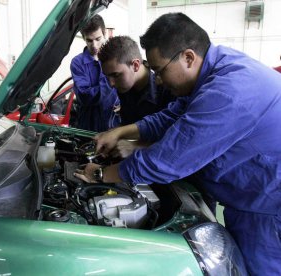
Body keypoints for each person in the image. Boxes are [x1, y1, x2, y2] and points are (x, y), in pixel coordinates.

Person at [74, 12, 281, 275]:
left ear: (188, 57)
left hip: (268, 211)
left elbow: (168, 159)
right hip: (250, 201)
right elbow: (175, 114)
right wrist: (122, 132)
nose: (157, 79)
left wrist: (103, 174)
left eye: (159, 70)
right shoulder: (217, 68)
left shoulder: (230, 91)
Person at [98, 35, 175, 126]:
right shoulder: (125, 87)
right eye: (108, 77)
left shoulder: (167, 88)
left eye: (115, 75)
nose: (111, 84)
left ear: (135, 65)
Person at [70, 15, 120, 132]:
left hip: (114, 123)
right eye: (89, 40)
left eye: (98, 39)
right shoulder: (77, 63)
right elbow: (86, 96)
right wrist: (110, 77)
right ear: (83, 38)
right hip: (88, 125)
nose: (94, 45)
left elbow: (127, 84)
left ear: (104, 34)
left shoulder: (116, 57)